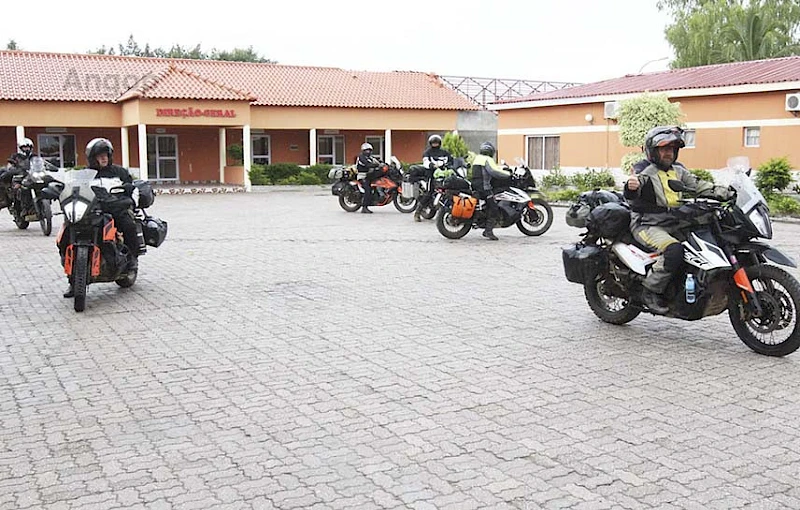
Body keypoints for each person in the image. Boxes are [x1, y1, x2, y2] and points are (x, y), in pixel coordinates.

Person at [624, 126, 733, 313]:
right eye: (664, 149)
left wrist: (727, 192)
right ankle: (650, 290)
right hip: (648, 223)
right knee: (674, 250)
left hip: (674, 220)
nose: (668, 153)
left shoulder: (678, 170)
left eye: (672, 149)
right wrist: (631, 187)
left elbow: (698, 185)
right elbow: (634, 187)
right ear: (653, 150)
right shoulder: (644, 170)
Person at [63, 138, 141, 298]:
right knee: (66, 234)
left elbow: (132, 188)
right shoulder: (84, 174)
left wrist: (130, 198)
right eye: (100, 155)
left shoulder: (119, 172)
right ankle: (73, 281)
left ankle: (132, 260)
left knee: (128, 224)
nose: (104, 158)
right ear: (93, 158)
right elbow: (72, 189)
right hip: (91, 211)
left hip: (115, 209)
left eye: (106, 155)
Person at [469, 141, 511, 241]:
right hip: (484, 187)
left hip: (475, 185)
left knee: (487, 205)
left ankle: (479, 220)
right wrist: (508, 174)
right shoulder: (488, 159)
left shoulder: (477, 158)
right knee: (494, 207)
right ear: (491, 151)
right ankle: (488, 231)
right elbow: (494, 171)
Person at [413, 134, 453, 222]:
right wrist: (432, 165)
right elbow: (426, 162)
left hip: (443, 174)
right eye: (433, 143)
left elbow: (451, 160)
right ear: (430, 143)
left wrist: (454, 165)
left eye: (437, 143)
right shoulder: (427, 153)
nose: (435, 144)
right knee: (429, 192)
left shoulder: (444, 152)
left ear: (439, 143)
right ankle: (417, 212)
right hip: (431, 175)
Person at [0, 138, 35, 210]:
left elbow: (40, 163)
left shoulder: (34, 156)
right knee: (17, 189)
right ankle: (15, 205)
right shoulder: (16, 156)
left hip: (32, 176)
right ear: (21, 148)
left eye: (29, 147)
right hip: (20, 176)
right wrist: (11, 168)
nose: (27, 149)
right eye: (25, 147)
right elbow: (10, 165)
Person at [356, 142, 382, 214]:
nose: (368, 152)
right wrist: (375, 165)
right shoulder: (361, 157)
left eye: (370, 150)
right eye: (367, 150)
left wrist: (383, 163)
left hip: (369, 175)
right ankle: (364, 207)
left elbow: (377, 161)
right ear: (363, 151)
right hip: (362, 176)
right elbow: (367, 164)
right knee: (368, 189)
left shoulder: (370, 157)